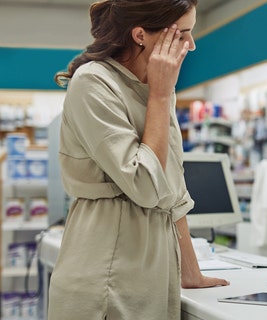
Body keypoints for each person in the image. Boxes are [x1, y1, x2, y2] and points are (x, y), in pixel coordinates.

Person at [48, 1, 229, 319]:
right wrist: (159, 96)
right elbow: (145, 184)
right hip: (105, 276)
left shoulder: (159, 88)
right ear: (141, 35)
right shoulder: (94, 83)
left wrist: (190, 273)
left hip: (150, 275)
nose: (191, 44)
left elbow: (171, 191)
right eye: (183, 34)